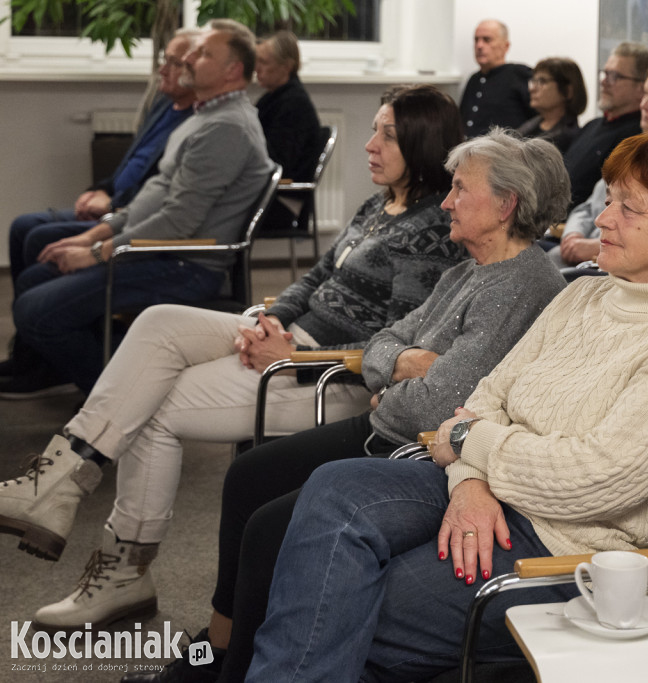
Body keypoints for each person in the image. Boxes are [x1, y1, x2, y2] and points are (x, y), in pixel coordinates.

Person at [247, 130, 648, 681]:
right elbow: (486, 397)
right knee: (333, 490)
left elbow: (594, 477)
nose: (603, 220)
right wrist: (470, 484)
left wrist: (469, 446)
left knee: (343, 597)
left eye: (630, 210)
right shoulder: (584, 293)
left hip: (565, 547)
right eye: (608, 200)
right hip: (491, 491)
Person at [0, 85, 466, 633]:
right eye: (374, 129)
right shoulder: (382, 203)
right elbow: (318, 279)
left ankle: (122, 570)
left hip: (332, 375)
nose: (369, 144)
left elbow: (399, 346)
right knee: (159, 322)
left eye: (386, 134)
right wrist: (274, 320)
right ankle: (58, 480)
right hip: (293, 340)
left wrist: (296, 356)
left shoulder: (431, 229)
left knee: (153, 406)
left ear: (421, 141)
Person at [122, 128, 571, 683]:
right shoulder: (467, 268)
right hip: (382, 424)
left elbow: (436, 407)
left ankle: (228, 671)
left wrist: (393, 374)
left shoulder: (520, 284)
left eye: (459, 189)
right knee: (246, 477)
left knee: (268, 530)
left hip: (414, 449)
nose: (447, 201)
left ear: (506, 205)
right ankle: (217, 648)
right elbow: (384, 341)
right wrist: (404, 363)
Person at [0, 20, 273, 399]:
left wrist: (96, 254)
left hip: (183, 264)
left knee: (35, 311)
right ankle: (106, 374)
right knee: (36, 279)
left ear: (233, 70)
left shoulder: (226, 128)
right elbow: (151, 198)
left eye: (203, 53)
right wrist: (95, 234)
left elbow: (178, 221)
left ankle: (125, 400)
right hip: (158, 249)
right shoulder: (205, 116)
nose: (189, 59)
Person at [549, 61, 648, 268]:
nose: (644, 105)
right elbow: (588, 207)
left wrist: (595, 246)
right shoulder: (636, 150)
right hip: (585, 253)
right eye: (645, 95)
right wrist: (572, 236)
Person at [562, 42, 648, 208]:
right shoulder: (592, 126)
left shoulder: (635, 138)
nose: (604, 82)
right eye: (605, 74)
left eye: (615, 76)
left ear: (641, 87)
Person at [252, 30, 322, 232]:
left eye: (264, 62)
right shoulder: (272, 98)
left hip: (283, 200)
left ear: (286, 66)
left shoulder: (294, 104)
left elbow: (279, 162)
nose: (257, 68)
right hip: (272, 193)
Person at [459, 20, 533, 137]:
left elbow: (540, 119)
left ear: (505, 46)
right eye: (476, 40)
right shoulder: (474, 79)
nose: (479, 45)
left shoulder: (519, 74)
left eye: (487, 40)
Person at [516, 57, 587, 154]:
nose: (532, 89)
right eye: (533, 81)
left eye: (542, 81)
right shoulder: (528, 126)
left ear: (567, 91)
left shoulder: (570, 139)